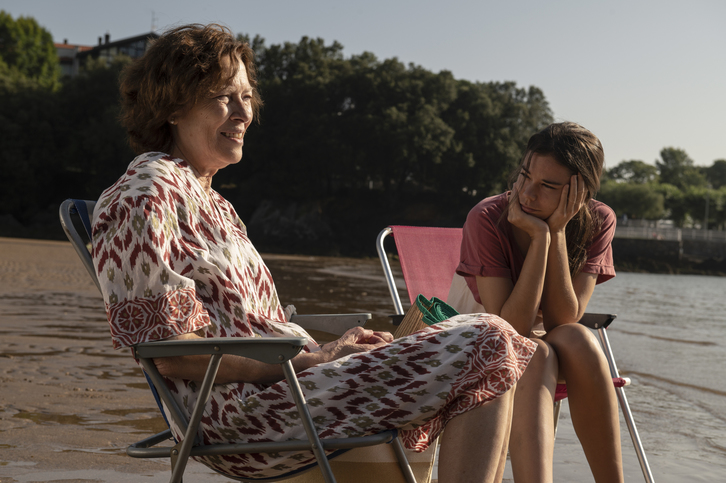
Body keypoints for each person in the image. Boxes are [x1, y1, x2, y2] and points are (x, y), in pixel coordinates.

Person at [91, 23, 536, 482]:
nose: (243, 112)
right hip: (243, 416)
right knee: (489, 337)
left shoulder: (213, 202)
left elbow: (248, 325)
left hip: (287, 391)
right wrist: (310, 360)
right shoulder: (147, 190)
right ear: (173, 104)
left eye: (247, 97)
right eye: (224, 96)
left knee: (487, 339)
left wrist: (331, 349)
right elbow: (173, 356)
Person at [452, 122, 622, 483]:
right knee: (536, 353)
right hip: (479, 336)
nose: (527, 193)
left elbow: (564, 319)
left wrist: (558, 231)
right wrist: (540, 236)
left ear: (579, 191)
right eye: (525, 175)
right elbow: (509, 328)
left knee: (582, 339)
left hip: (543, 336)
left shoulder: (598, 220)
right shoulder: (486, 217)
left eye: (547, 185)